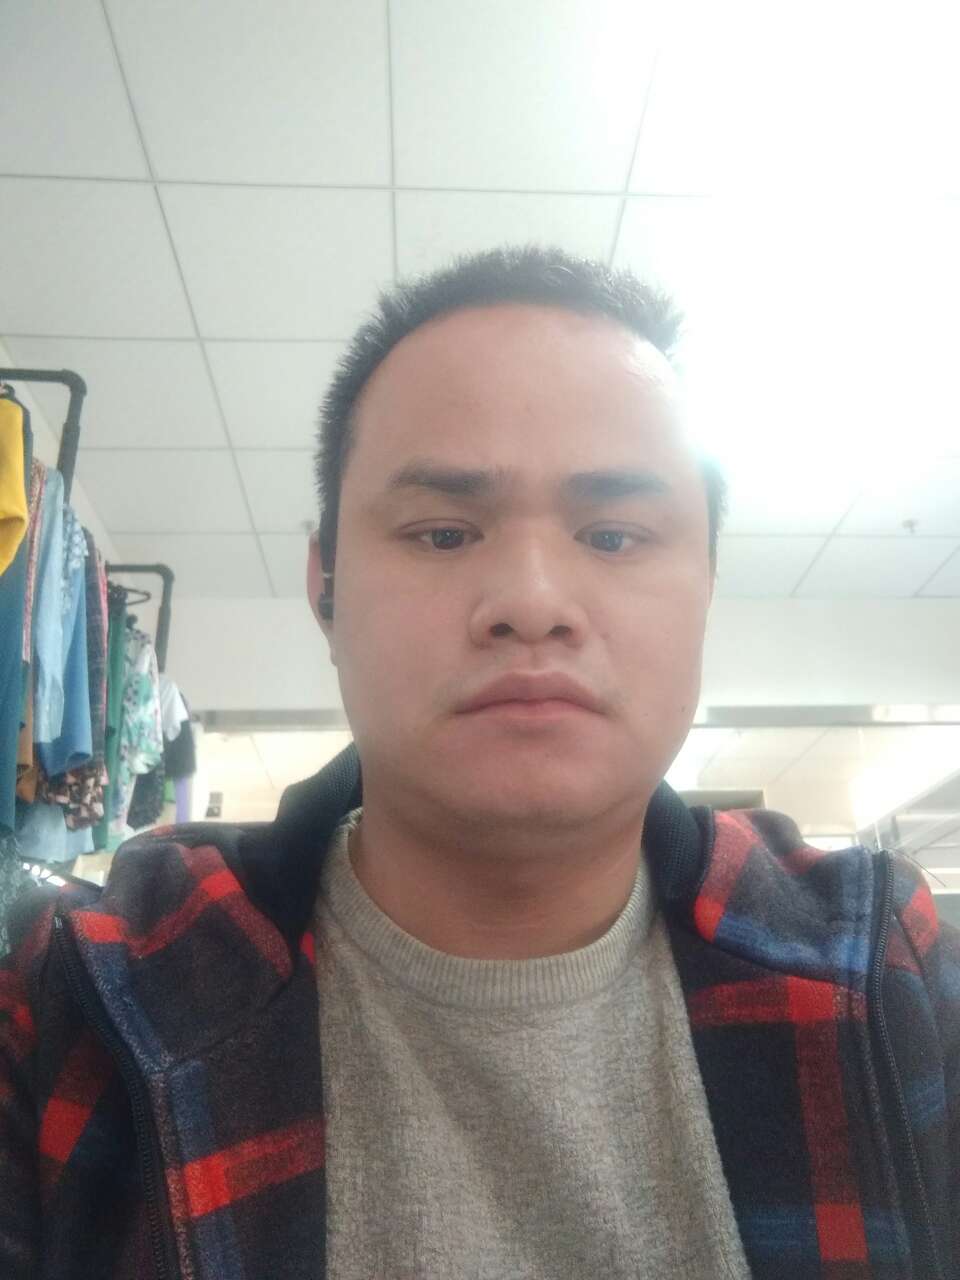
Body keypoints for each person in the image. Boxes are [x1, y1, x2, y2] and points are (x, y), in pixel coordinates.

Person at [1, 245, 957, 1279]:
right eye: (444, 533)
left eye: (616, 535)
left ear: (708, 586)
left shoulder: (889, 973)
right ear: (326, 585)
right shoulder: (78, 994)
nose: (532, 602)